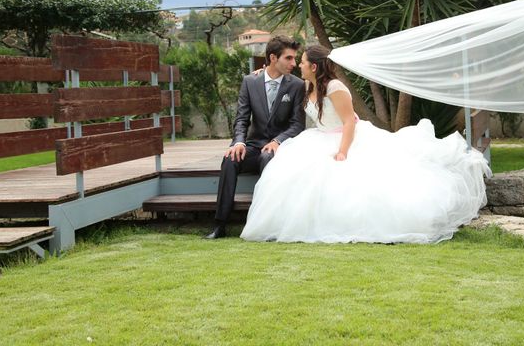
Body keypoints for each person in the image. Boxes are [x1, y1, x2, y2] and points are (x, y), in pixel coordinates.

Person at [240, 45, 490, 244]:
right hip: (317, 138)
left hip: (346, 138)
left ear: (314, 67)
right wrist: (260, 74)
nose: (299, 66)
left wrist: (342, 152)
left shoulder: (335, 88)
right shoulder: (306, 86)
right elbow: (282, 81)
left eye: (303, 62)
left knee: (354, 183)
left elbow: (349, 122)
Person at [206, 36, 305, 239]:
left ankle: (267, 224)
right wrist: (239, 142)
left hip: (280, 147)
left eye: (295, 59)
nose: (294, 63)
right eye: (289, 58)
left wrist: (278, 141)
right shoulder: (250, 82)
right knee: (230, 159)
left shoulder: (296, 85)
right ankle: (219, 224)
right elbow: (241, 118)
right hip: (252, 144)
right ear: (272, 58)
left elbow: (297, 124)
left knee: (267, 157)